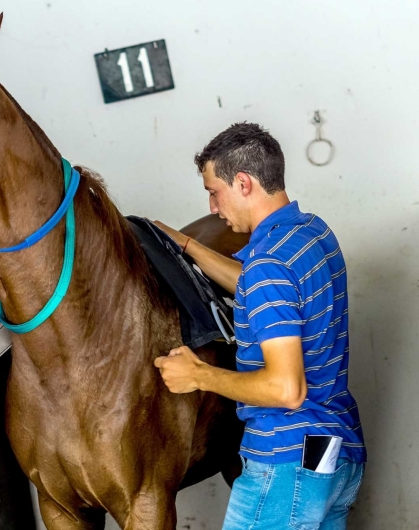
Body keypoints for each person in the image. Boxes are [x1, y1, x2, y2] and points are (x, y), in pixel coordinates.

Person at [153, 123, 366, 529]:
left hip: (286, 462)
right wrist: (187, 246)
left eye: (214, 192)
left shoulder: (269, 267)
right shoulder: (311, 234)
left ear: (244, 183)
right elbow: (259, 287)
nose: (213, 208)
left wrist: (199, 375)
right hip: (334, 456)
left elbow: (286, 389)